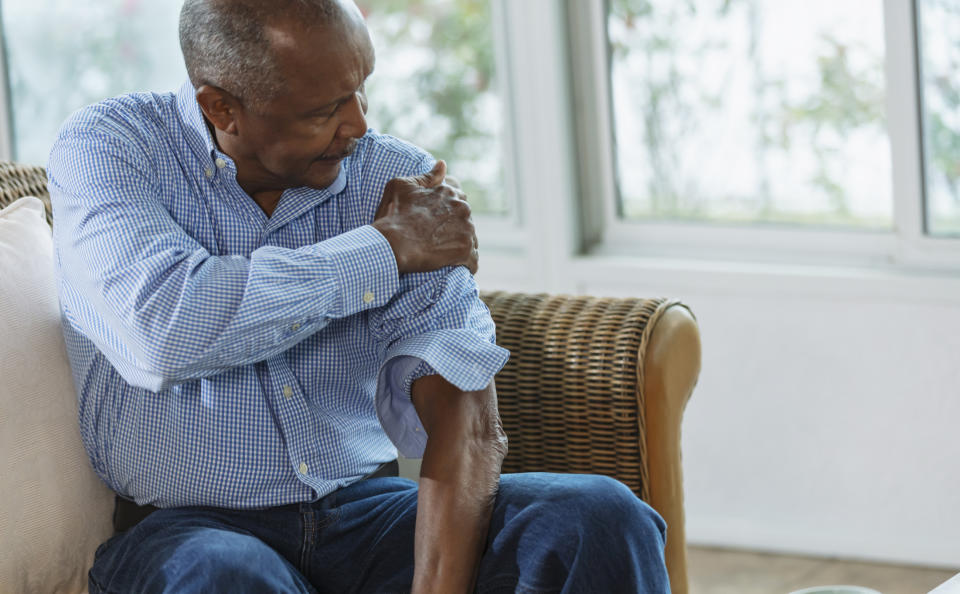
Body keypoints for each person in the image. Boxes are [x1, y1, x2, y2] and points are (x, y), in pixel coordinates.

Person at [46, 0, 670, 592]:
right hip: (188, 531)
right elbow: (163, 331)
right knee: (226, 577)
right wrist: (383, 249)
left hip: (365, 514)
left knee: (602, 518)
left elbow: (467, 420)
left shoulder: (393, 180)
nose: (360, 123)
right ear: (222, 108)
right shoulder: (112, 149)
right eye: (325, 110)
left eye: (361, 88)